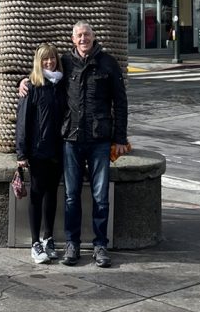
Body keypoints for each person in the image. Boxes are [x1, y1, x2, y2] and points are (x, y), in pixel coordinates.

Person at [20, 21, 130, 269]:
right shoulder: (66, 64)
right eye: (79, 35)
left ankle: (100, 245)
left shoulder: (108, 63)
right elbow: (43, 76)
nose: (83, 39)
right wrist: (23, 82)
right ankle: (72, 244)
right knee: (71, 197)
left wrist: (120, 138)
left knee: (100, 197)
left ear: (93, 37)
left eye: (87, 35)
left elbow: (120, 102)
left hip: (99, 140)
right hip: (70, 139)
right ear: (73, 39)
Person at [16, 43, 65, 264]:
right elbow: (23, 122)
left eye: (52, 58)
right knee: (36, 194)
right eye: (45, 59)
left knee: (52, 194)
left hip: (58, 149)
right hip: (37, 150)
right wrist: (21, 153)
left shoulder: (61, 84)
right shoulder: (32, 86)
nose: (49, 62)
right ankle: (35, 242)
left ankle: (49, 238)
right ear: (38, 61)